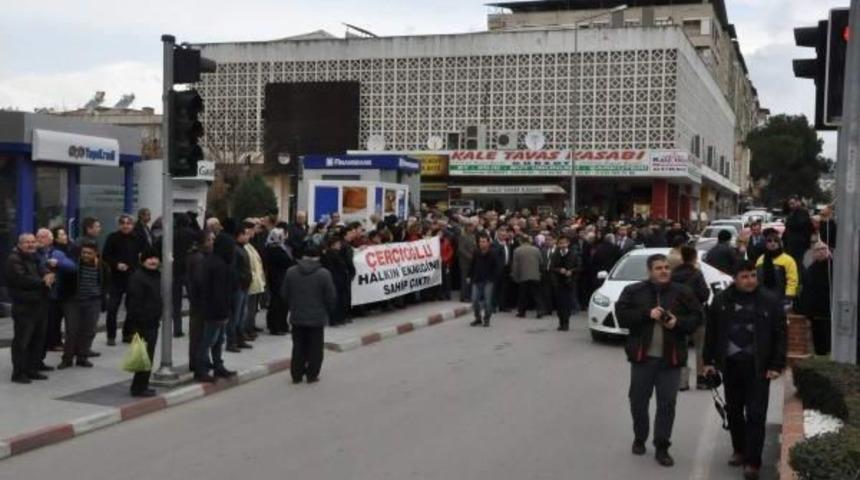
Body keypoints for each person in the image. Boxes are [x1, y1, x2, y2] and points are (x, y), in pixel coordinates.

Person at [616, 254, 703, 467]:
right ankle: (640, 437)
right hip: (642, 359)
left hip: (670, 360)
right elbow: (622, 316)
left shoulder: (683, 292)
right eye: (658, 268)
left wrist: (677, 322)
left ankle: (662, 446)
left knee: (667, 404)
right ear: (649, 271)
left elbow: (698, 318)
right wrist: (648, 313)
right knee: (638, 402)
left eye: (666, 267)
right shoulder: (633, 291)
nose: (664, 271)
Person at [703, 260, 787, 480]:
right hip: (730, 366)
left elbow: (780, 336)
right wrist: (708, 361)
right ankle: (739, 450)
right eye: (745, 276)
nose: (750, 280)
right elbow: (711, 333)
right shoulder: (721, 301)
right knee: (734, 412)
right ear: (735, 278)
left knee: (756, 415)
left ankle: (753, 462)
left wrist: (776, 365)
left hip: (759, 368)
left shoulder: (770, 301)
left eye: (752, 275)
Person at [281, 244, 337, 384]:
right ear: (318, 257)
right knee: (315, 348)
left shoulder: (291, 272)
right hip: (317, 317)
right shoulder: (324, 274)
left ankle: (296, 375)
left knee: (298, 346)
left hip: (297, 316)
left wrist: (293, 306)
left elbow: (284, 294)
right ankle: (312, 374)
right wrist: (328, 311)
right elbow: (331, 297)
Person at [6, 234, 55, 383]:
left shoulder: (35, 257)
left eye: (33, 242)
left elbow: (45, 270)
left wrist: (48, 274)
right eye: (27, 242)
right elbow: (22, 280)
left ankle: (32, 369)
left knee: (38, 339)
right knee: (22, 341)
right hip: (24, 306)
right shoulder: (14, 259)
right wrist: (43, 281)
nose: (31, 245)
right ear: (20, 244)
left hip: (39, 304)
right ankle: (18, 373)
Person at [57, 240, 109, 369]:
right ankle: (67, 359)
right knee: (71, 331)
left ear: (96, 254)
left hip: (93, 301)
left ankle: (82, 357)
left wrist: (102, 299)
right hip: (73, 301)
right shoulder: (74, 264)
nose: (86, 255)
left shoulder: (103, 266)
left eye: (89, 253)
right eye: (84, 252)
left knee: (89, 331)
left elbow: (106, 284)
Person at [196, 233, 237, 382]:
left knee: (217, 340)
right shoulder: (219, 265)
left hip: (212, 308)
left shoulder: (213, 261)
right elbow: (218, 292)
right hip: (215, 310)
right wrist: (223, 313)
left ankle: (218, 366)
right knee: (209, 341)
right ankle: (202, 370)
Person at [671, 245, 711, 391]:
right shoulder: (697, 274)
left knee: (681, 347)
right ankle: (700, 379)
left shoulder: (673, 274)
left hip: (679, 316)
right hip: (697, 316)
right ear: (694, 257)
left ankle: (682, 382)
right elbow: (705, 295)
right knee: (701, 349)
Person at [126, 248, 163, 397]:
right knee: (144, 356)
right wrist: (140, 321)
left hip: (152, 321)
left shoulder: (155, 275)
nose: (153, 261)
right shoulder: (138, 277)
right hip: (143, 323)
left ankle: (141, 385)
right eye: (150, 258)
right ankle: (138, 387)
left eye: (155, 258)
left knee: (147, 355)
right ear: (143, 260)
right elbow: (133, 303)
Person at [102, 214, 143, 345]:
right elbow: (105, 256)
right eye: (123, 223)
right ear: (119, 225)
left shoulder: (138, 238)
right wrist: (116, 264)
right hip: (116, 277)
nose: (126, 226)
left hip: (133, 277)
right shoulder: (113, 238)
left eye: (128, 223)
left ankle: (128, 334)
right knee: (112, 307)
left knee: (132, 308)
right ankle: (111, 335)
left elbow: (146, 253)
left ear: (132, 225)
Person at [36, 228, 75, 364]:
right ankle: (36, 359)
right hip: (36, 296)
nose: (39, 239)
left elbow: (72, 267)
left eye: (43, 237)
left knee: (50, 324)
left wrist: (58, 263)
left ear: (50, 239)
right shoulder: (32, 252)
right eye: (38, 237)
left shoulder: (57, 253)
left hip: (53, 295)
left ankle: (42, 358)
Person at [186, 230, 213, 375]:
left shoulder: (198, 256)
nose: (212, 242)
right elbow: (200, 282)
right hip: (200, 303)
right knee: (199, 334)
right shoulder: (199, 259)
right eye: (209, 240)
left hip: (197, 302)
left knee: (198, 333)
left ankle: (197, 361)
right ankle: (198, 363)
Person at [799, 242, 833, 355]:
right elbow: (807, 290)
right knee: (819, 344)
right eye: (818, 249)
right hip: (816, 313)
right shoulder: (810, 270)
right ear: (813, 253)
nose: (821, 251)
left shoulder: (834, 267)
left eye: (824, 248)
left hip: (830, 312)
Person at [755, 229, 799, 310]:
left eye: (776, 241)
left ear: (779, 244)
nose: (772, 243)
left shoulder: (788, 260)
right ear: (766, 244)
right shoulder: (760, 260)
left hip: (781, 299)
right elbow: (756, 279)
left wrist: (788, 297)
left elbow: (792, 280)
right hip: (762, 299)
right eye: (769, 241)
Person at [264, 227, 295, 335]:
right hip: (278, 278)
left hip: (280, 277)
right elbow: (286, 262)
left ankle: (281, 325)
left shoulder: (279, 248)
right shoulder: (274, 249)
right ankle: (276, 326)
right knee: (278, 302)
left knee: (281, 302)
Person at [227, 225, 253, 352]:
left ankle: (239, 338)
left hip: (244, 286)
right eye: (245, 234)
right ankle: (231, 341)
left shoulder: (242, 249)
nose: (247, 237)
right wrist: (239, 281)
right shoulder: (235, 250)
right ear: (239, 235)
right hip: (238, 287)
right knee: (235, 316)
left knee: (242, 314)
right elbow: (234, 269)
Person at [549, 235, 582, 331]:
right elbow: (552, 268)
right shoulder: (555, 255)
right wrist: (559, 270)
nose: (563, 245)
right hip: (558, 282)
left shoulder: (574, 254)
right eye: (561, 243)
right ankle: (561, 322)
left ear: (568, 243)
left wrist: (571, 271)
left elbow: (579, 267)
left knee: (566, 304)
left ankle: (566, 323)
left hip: (569, 282)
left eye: (564, 243)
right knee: (559, 304)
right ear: (558, 244)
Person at [468, 234, 498, 327]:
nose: (482, 244)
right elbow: (472, 265)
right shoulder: (476, 252)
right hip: (477, 280)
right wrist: (469, 276)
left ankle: (487, 318)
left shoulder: (493, 253)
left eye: (484, 241)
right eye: (480, 242)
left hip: (488, 281)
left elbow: (496, 268)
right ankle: (477, 318)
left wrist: (493, 279)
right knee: (474, 300)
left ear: (488, 243)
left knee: (487, 301)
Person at [321, 235, 350, 327]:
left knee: (339, 300)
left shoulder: (334, 253)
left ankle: (338, 319)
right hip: (336, 279)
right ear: (332, 245)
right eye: (338, 244)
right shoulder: (332, 254)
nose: (339, 245)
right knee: (336, 300)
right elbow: (338, 266)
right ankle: (335, 320)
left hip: (337, 279)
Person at [244, 227, 267, 339]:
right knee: (249, 307)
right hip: (251, 281)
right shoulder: (245, 248)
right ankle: (247, 328)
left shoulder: (251, 246)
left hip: (257, 281)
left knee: (253, 307)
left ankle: (250, 326)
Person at [512, 235, 542, 318]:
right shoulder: (536, 250)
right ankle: (539, 311)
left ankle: (522, 312)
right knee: (537, 295)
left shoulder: (517, 250)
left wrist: (515, 276)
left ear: (521, 241)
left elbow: (515, 265)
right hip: (535, 275)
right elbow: (541, 262)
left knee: (522, 295)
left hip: (523, 276)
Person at [782, 196, 813, 267]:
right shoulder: (791, 213)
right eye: (790, 204)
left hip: (798, 243)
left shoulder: (802, 212)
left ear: (797, 202)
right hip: (790, 243)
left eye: (793, 203)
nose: (791, 205)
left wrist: (788, 222)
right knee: (790, 263)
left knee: (797, 264)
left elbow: (800, 224)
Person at [457, 219, 478, 303]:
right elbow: (461, 249)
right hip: (465, 261)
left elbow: (475, 247)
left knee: (471, 279)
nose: (473, 228)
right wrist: (470, 256)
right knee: (464, 279)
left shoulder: (473, 236)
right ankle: (463, 296)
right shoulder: (463, 236)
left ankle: (469, 295)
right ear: (467, 227)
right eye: (471, 227)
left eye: (473, 227)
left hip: (473, 261)